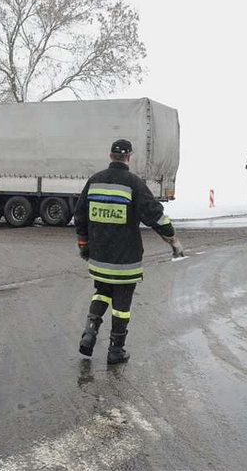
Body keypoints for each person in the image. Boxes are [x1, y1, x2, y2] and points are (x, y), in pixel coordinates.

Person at [74, 139, 184, 364]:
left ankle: (89, 334)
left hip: (99, 257)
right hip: (125, 260)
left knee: (102, 291)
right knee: (122, 305)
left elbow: (80, 215)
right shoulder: (133, 183)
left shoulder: (94, 181)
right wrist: (172, 238)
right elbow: (154, 214)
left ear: (110, 156)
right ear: (129, 157)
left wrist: (84, 245)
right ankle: (116, 350)